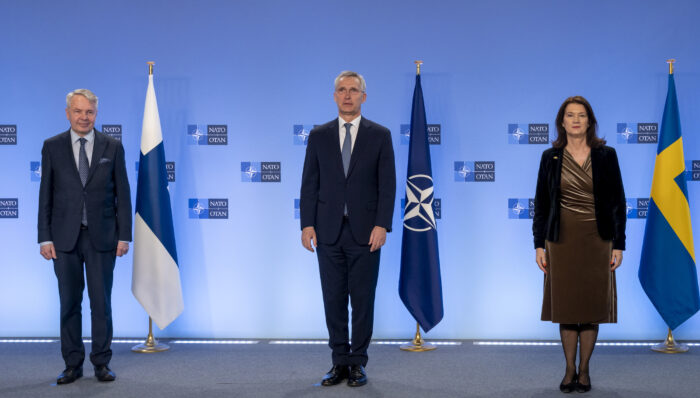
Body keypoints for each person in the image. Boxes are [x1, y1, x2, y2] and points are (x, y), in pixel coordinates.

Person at [299, 71, 396, 387]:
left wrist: (382, 224)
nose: (347, 95)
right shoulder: (318, 135)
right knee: (333, 299)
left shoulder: (379, 135)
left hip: (366, 232)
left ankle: (358, 363)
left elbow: (387, 185)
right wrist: (307, 224)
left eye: (354, 90)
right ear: (334, 96)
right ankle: (338, 361)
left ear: (363, 97)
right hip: (327, 232)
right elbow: (309, 183)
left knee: (363, 299)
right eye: (341, 90)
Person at [38, 89, 132, 384]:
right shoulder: (52, 146)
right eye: (78, 111)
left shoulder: (112, 147)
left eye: (89, 112)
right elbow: (45, 197)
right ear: (68, 113)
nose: (83, 117)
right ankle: (72, 365)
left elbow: (124, 196)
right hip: (63, 239)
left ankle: (101, 364)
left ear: (96, 114)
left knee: (101, 303)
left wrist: (124, 236)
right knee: (69, 303)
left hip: (102, 238)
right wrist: (44, 238)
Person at [533, 96, 626, 393]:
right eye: (570, 115)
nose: (576, 120)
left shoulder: (606, 155)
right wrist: (539, 244)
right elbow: (542, 205)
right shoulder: (550, 157)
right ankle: (568, 369)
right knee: (568, 307)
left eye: (581, 115)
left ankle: (584, 371)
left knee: (590, 306)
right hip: (561, 241)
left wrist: (618, 244)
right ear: (562, 121)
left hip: (598, 240)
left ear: (590, 121)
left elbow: (617, 203)